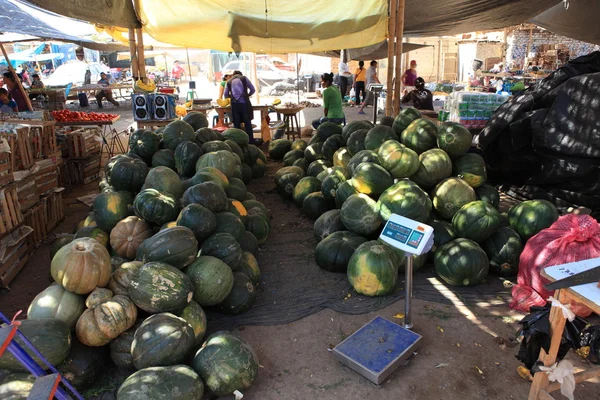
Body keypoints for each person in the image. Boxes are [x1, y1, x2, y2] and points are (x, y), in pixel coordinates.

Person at [224, 70, 256, 143]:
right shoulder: (244, 78)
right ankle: (251, 142)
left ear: (233, 75)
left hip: (235, 105)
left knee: (236, 124)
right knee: (248, 123)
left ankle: (238, 143)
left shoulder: (228, 81)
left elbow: (225, 95)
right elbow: (253, 90)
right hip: (244, 104)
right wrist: (247, 95)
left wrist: (232, 96)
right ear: (240, 74)